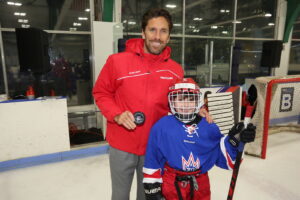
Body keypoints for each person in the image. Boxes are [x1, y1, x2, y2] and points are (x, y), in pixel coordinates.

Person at [93, 8, 211, 200]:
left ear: (169, 35)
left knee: (148, 197)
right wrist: (116, 114)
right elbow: (101, 92)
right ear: (143, 32)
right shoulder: (117, 61)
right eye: (152, 30)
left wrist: (199, 110)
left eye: (163, 31)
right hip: (121, 144)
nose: (157, 36)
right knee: (119, 196)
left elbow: (181, 100)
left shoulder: (175, 70)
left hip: (155, 148)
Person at [143, 78, 256, 200]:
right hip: (171, 184)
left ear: (198, 101)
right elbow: (152, 160)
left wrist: (235, 141)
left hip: (200, 185)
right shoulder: (161, 127)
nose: (186, 104)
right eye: (181, 99)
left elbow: (226, 160)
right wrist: (152, 189)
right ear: (172, 101)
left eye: (191, 99)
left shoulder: (209, 126)